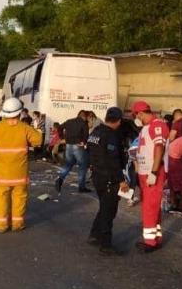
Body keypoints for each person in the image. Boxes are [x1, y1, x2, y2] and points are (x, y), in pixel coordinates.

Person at [0, 97, 42, 233]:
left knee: (0, 197)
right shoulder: (25, 128)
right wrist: (36, 129)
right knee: (19, 197)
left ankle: (0, 225)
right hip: (19, 173)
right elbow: (38, 141)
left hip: (1, 174)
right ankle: (17, 224)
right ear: (20, 113)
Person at [87, 107, 129, 255]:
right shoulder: (110, 135)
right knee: (109, 210)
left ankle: (94, 234)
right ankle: (106, 244)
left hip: (97, 176)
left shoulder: (95, 132)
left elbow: (89, 153)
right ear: (118, 121)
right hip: (109, 178)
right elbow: (112, 160)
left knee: (104, 206)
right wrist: (121, 180)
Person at [133, 101, 170, 253]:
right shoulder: (147, 127)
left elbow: (159, 147)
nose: (137, 119)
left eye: (136, 116)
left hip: (152, 172)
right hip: (145, 172)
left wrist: (154, 172)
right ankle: (155, 237)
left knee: (150, 207)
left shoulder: (157, 125)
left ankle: (150, 242)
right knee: (150, 206)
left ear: (140, 114)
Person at [55, 110, 91, 193]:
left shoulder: (69, 121)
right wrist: (84, 142)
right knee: (82, 166)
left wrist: (62, 137)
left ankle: (60, 179)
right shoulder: (83, 123)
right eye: (86, 117)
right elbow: (86, 134)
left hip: (68, 145)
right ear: (84, 116)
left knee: (68, 164)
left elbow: (60, 127)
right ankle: (81, 187)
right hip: (78, 146)